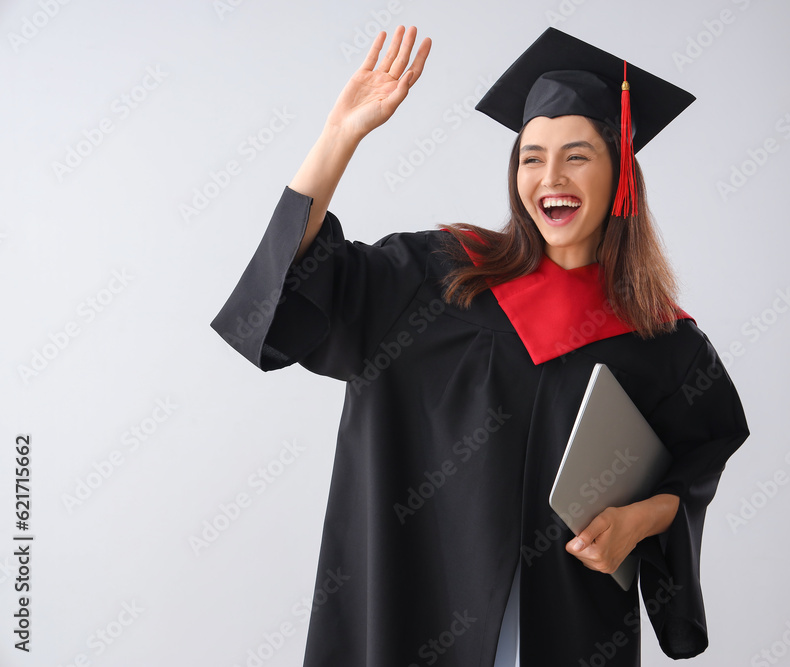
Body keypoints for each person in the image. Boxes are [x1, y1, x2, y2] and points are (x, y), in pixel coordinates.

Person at [211, 25, 749, 667]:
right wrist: (340, 136)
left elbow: (697, 464)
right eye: (531, 156)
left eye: (577, 155)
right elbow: (292, 290)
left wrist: (640, 520)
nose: (551, 177)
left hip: (572, 628)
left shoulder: (662, 339)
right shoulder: (437, 278)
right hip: (417, 616)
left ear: (620, 175)